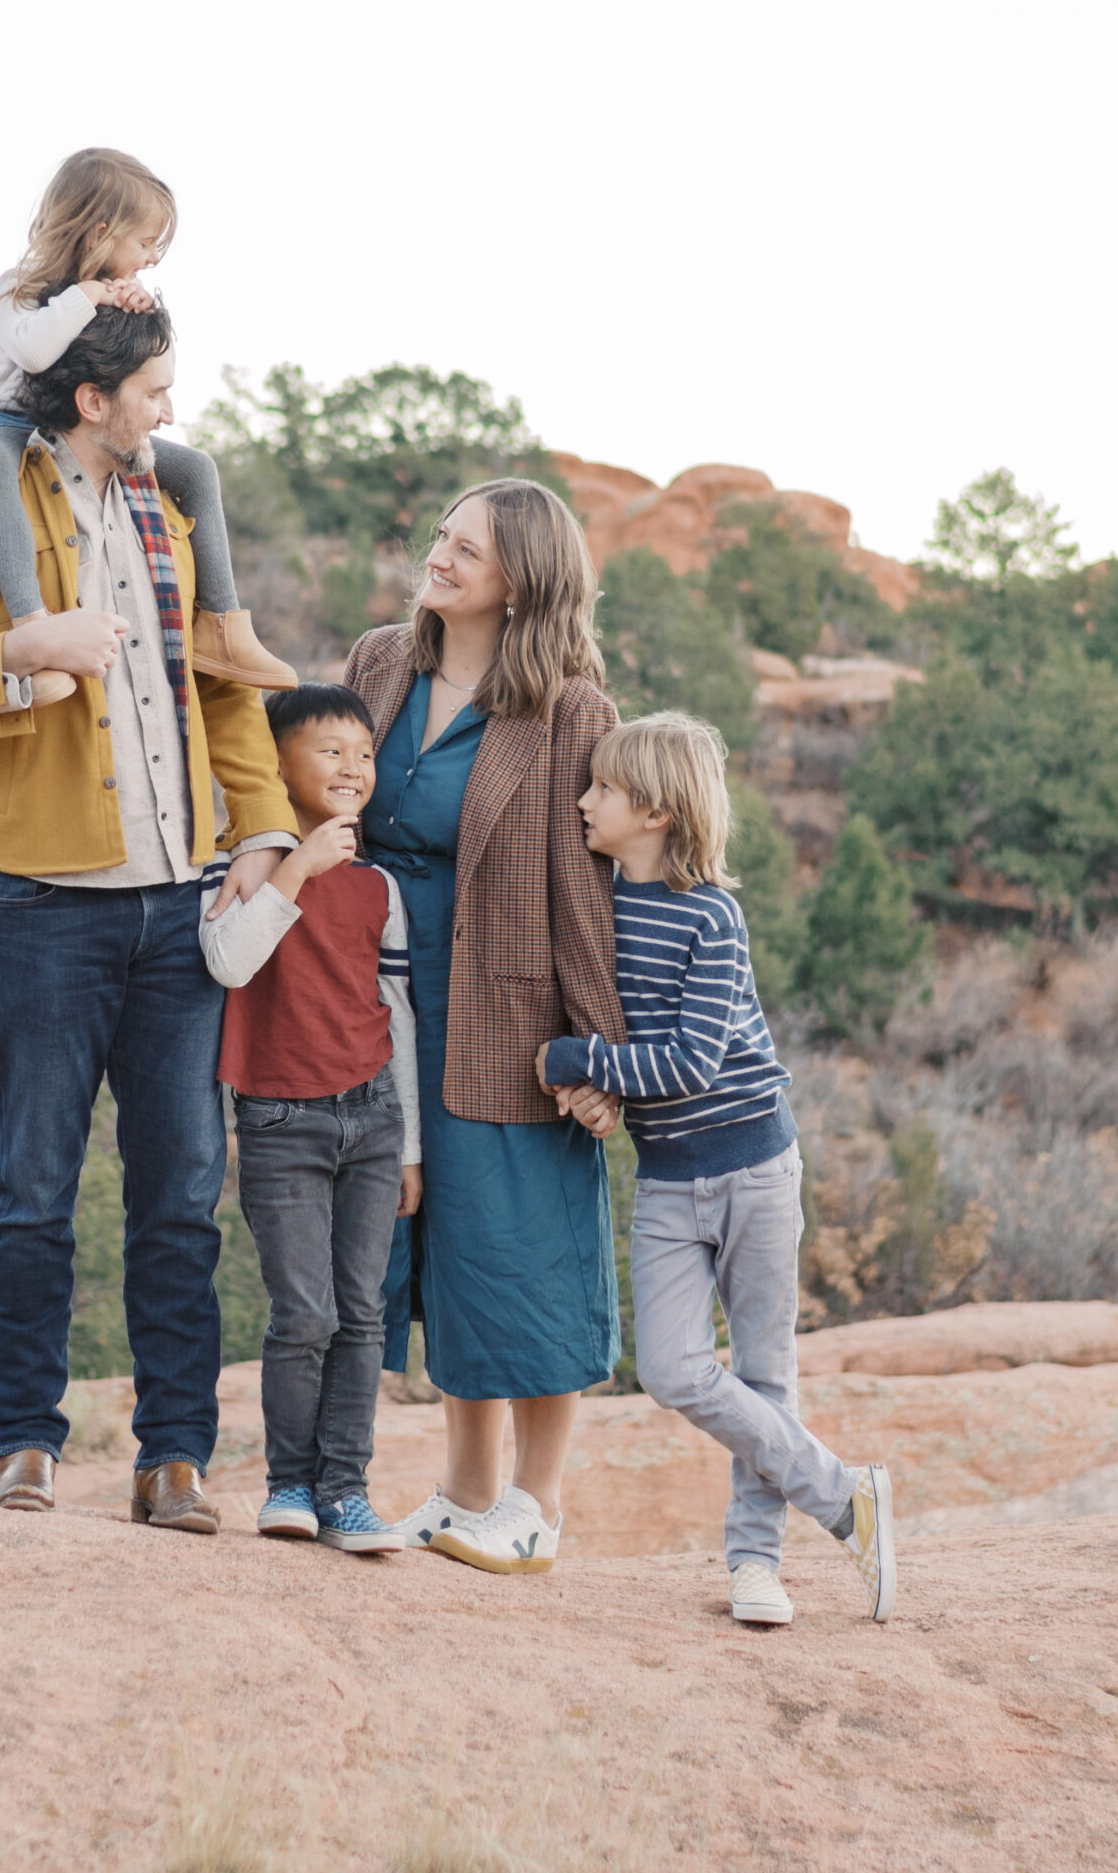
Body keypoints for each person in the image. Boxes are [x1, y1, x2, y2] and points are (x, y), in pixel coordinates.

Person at [0, 299, 300, 1531]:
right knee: (34, 1185)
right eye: (154, 388)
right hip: (34, 908)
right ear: (90, 398)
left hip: (178, 910)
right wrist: (18, 649)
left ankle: (174, 1457)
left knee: (180, 1191)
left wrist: (262, 830)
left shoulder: (170, 516)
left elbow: (220, 697)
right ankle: (26, 1444)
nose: (170, 408)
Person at [537, 711, 897, 1626]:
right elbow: (602, 1027)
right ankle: (844, 1495)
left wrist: (576, 1065)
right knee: (668, 1368)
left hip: (754, 1166)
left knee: (765, 1373)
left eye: (603, 791)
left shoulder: (712, 917)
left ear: (655, 811)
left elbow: (688, 1064)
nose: (584, 801)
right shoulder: (595, 909)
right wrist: (586, 1076)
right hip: (665, 1177)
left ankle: (756, 1566)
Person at [343, 477, 627, 1579]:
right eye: (441, 538)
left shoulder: (569, 709)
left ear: (522, 581)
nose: (441, 557)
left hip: (509, 1014)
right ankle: (462, 1487)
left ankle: (536, 1504)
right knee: (439, 1245)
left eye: (468, 548)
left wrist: (598, 1056)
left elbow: (584, 892)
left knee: (524, 1248)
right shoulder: (380, 661)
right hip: (379, 1002)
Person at [0, 144, 296, 689]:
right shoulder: (19, 286)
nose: (150, 259)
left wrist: (132, 307)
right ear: (99, 233)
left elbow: (120, 360)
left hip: (68, 430)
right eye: (144, 243)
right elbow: (33, 354)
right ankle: (32, 624)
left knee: (196, 470)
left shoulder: (104, 290)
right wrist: (90, 295)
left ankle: (223, 626)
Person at [198, 683, 423, 1556]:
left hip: (368, 1118)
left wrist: (407, 1144)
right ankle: (289, 1484)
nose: (351, 767)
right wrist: (293, 868)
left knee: (362, 1314)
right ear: (274, 764)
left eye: (362, 753)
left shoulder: (378, 887)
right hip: (279, 1119)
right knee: (302, 1314)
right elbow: (227, 963)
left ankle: (347, 1491)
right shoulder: (241, 870)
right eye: (328, 750)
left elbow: (394, 1014)